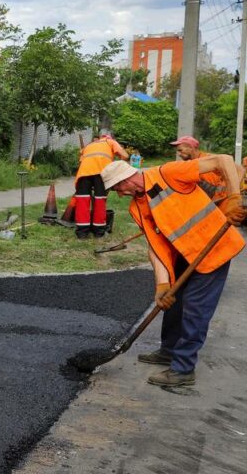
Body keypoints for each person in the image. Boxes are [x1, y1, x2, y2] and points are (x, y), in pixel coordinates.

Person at [101, 156, 245, 387]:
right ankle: (169, 350)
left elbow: (225, 161)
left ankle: (183, 369)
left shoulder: (170, 173)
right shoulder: (137, 207)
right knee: (173, 303)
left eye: (117, 187)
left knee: (195, 308)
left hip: (213, 249)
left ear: (126, 178)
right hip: (184, 255)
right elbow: (156, 246)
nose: (118, 193)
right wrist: (162, 284)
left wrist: (234, 197)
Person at [74, 130, 128, 239]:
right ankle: (98, 232)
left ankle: (82, 233)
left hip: (83, 173)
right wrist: (118, 167)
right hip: (101, 173)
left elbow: (81, 161)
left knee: (82, 202)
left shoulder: (90, 145)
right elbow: (125, 155)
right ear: (111, 137)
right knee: (99, 201)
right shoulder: (110, 141)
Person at [170, 135, 244, 205]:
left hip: (223, 202)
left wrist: (234, 194)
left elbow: (240, 169)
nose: (179, 154)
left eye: (180, 150)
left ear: (191, 147)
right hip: (212, 203)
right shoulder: (191, 164)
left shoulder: (210, 159)